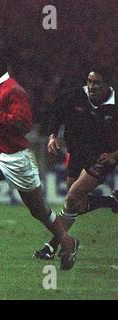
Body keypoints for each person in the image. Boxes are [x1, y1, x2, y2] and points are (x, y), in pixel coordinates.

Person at [0, 51, 79, 270]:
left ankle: (68, 242)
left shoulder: (14, 91)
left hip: (17, 159)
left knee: (38, 211)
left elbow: (25, 125)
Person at [34, 66, 118, 260]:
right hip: (77, 154)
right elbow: (56, 113)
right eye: (89, 81)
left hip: (101, 158)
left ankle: (53, 246)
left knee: (72, 197)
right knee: (77, 205)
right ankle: (111, 201)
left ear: (107, 85)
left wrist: (114, 155)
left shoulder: (115, 106)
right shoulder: (74, 96)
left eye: (97, 82)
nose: (91, 86)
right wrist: (52, 135)